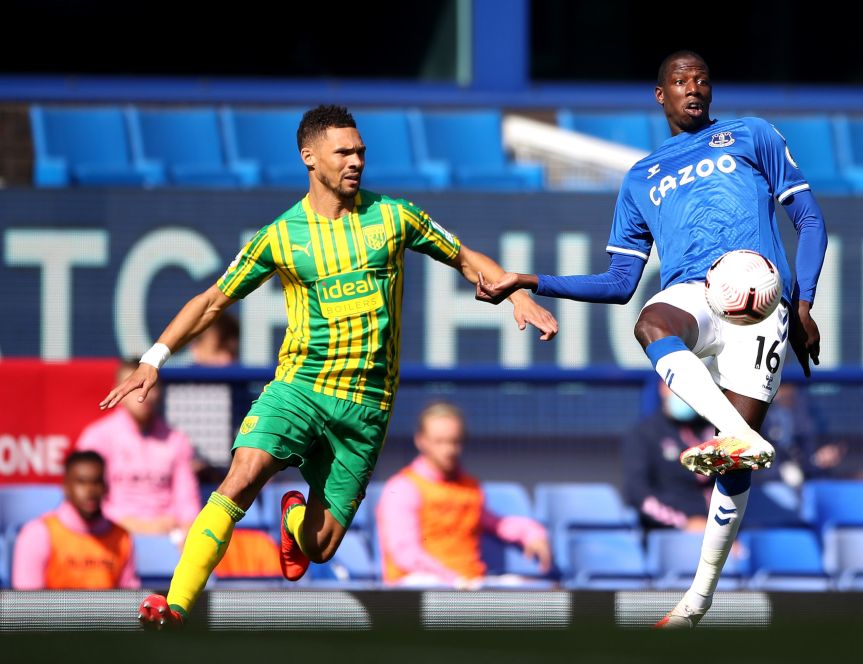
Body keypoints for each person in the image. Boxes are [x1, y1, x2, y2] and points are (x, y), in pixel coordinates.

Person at [99, 104, 558, 629]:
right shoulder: (282, 236)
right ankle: (175, 603)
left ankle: (294, 517)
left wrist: (514, 293)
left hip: (366, 407)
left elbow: (464, 256)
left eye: (361, 151)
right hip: (300, 386)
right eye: (344, 152)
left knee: (319, 547)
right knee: (243, 475)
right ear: (310, 158)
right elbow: (211, 302)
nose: (356, 160)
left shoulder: (393, 217)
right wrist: (153, 358)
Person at [477, 51, 826, 628]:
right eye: (680, 81)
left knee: (731, 468)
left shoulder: (752, 135)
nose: (693, 88)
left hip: (763, 303)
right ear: (660, 95)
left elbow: (809, 220)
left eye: (702, 80)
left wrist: (806, 302)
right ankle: (742, 434)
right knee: (650, 322)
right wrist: (530, 279)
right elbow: (620, 283)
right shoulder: (643, 177)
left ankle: (697, 601)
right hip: (695, 293)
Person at [377, 402, 551, 587]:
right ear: (420, 441)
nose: (449, 450)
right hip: (421, 586)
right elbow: (406, 553)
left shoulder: (469, 487)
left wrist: (532, 533)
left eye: (454, 441)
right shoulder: (403, 487)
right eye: (440, 441)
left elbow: (494, 522)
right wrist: (453, 580)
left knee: (533, 591)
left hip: (470, 583)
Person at [78, 359, 201, 538]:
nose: (144, 393)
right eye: (135, 386)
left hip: (169, 536)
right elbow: (89, 498)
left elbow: (187, 500)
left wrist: (188, 529)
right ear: (118, 391)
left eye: (150, 386)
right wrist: (129, 524)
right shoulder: (97, 438)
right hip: (111, 533)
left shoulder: (177, 440)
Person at [12, 450, 139, 590]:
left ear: (105, 486)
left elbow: (129, 599)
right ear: (66, 486)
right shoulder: (38, 534)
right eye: (81, 482)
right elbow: (26, 604)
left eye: (96, 482)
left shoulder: (122, 538)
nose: (90, 491)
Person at [622, 382, 716, 532]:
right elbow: (637, 493)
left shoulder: (714, 430)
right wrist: (684, 523)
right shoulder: (644, 433)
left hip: (720, 529)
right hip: (670, 533)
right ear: (663, 388)